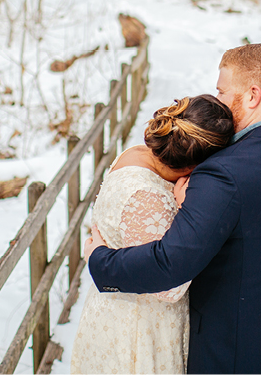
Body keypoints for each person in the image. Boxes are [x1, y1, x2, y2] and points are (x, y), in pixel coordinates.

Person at [85, 44, 261, 374]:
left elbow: (169, 263)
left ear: (252, 95)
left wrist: (99, 259)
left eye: (222, 91)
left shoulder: (223, 172)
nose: (218, 101)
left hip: (227, 356)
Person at [71, 94, 234, 374]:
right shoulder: (146, 196)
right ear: (192, 167)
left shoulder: (137, 154)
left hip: (115, 312)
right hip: (140, 333)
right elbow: (169, 286)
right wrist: (186, 209)